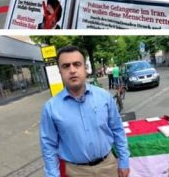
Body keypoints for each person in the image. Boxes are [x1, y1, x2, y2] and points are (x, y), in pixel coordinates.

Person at [40, 46, 130, 177]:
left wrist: (124, 161)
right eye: (66, 66)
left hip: (108, 167)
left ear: (85, 68)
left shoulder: (104, 97)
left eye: (77, 64)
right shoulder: (51, 108)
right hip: (76, 172)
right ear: (60, 72)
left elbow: (118, 130)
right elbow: (48, 146)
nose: (72, 70)